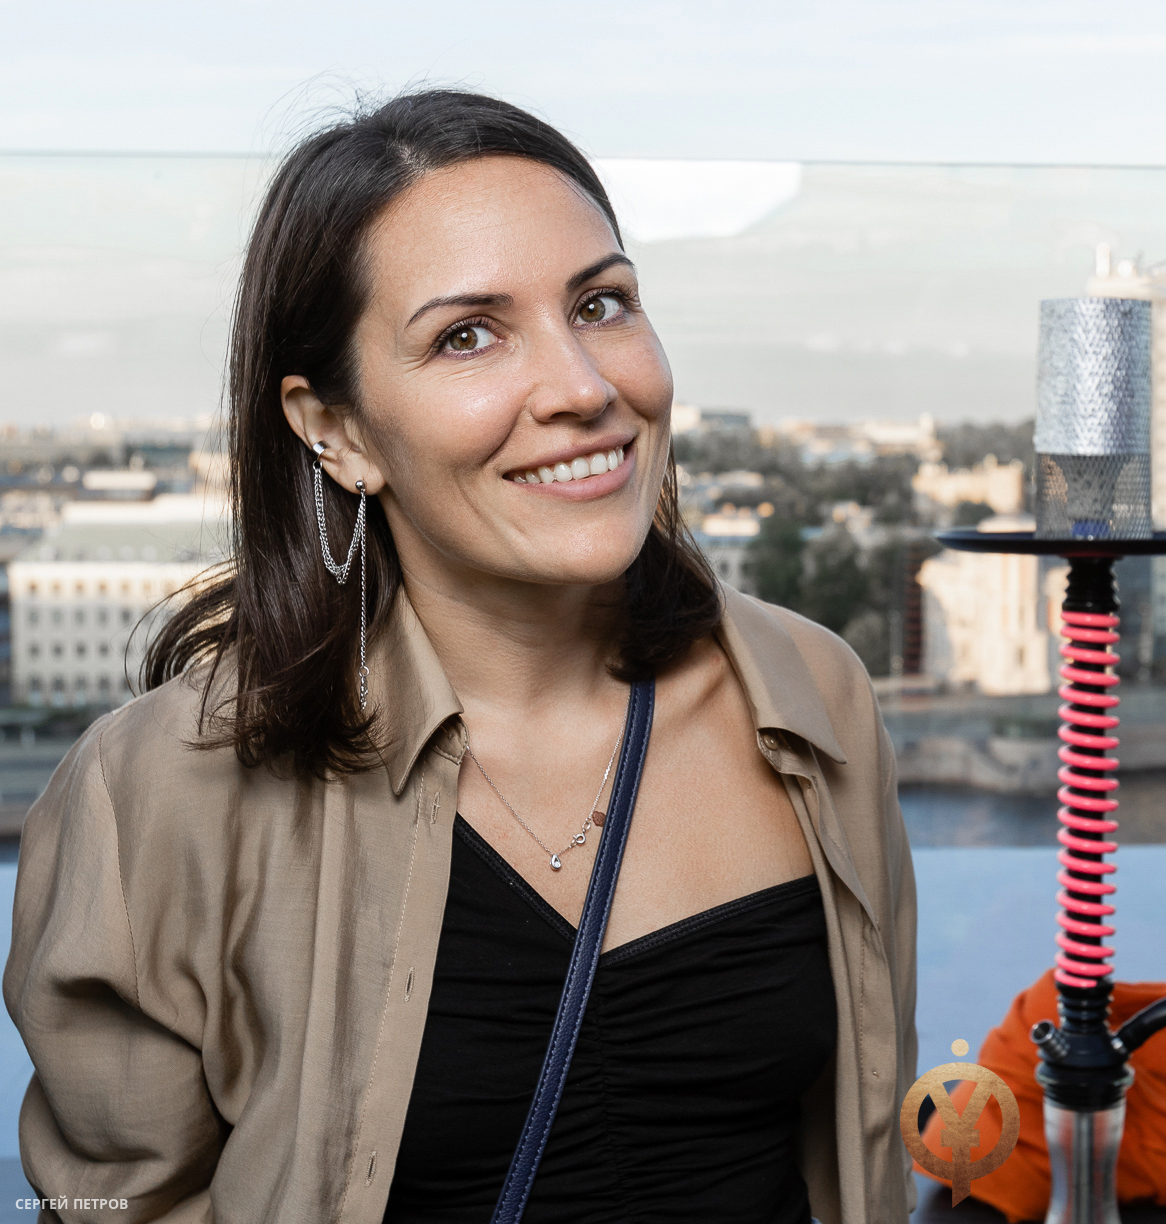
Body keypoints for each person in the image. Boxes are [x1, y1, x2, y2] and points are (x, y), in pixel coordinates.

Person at [4, 90, 918, 1224]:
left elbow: (865, 1146)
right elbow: (115, 1204)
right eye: (467, 335)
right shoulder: (160, 791)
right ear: (336, 430)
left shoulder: (813, 694)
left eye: (601, 303)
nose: (584, 388)